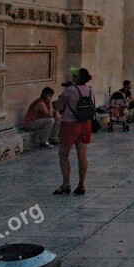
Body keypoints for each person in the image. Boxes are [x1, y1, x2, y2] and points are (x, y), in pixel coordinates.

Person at [54, 68, 95, 196]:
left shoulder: (70, 90)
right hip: (85, 124)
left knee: (63, 154)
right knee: (82, 155)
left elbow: (57, 106)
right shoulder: (90, 90)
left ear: (76, 78)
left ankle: (66, 184)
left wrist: (60, 98)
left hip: (70, 124)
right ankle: (81, 184)